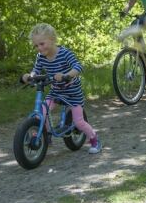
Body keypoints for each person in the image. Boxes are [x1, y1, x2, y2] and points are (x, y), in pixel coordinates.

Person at [21, 23, 101, 154]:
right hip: (56, 91)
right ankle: (45, 135)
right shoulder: (40, 57)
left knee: (79, 122)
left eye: (42, 44)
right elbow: (36, 70)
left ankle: (94, 139)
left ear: (52, 40)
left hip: (72, 93)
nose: (39, 48)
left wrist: (66, 75)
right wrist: (30, 76)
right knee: (42, 112)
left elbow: (78, 67)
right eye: (36, 46)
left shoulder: (64, 53)